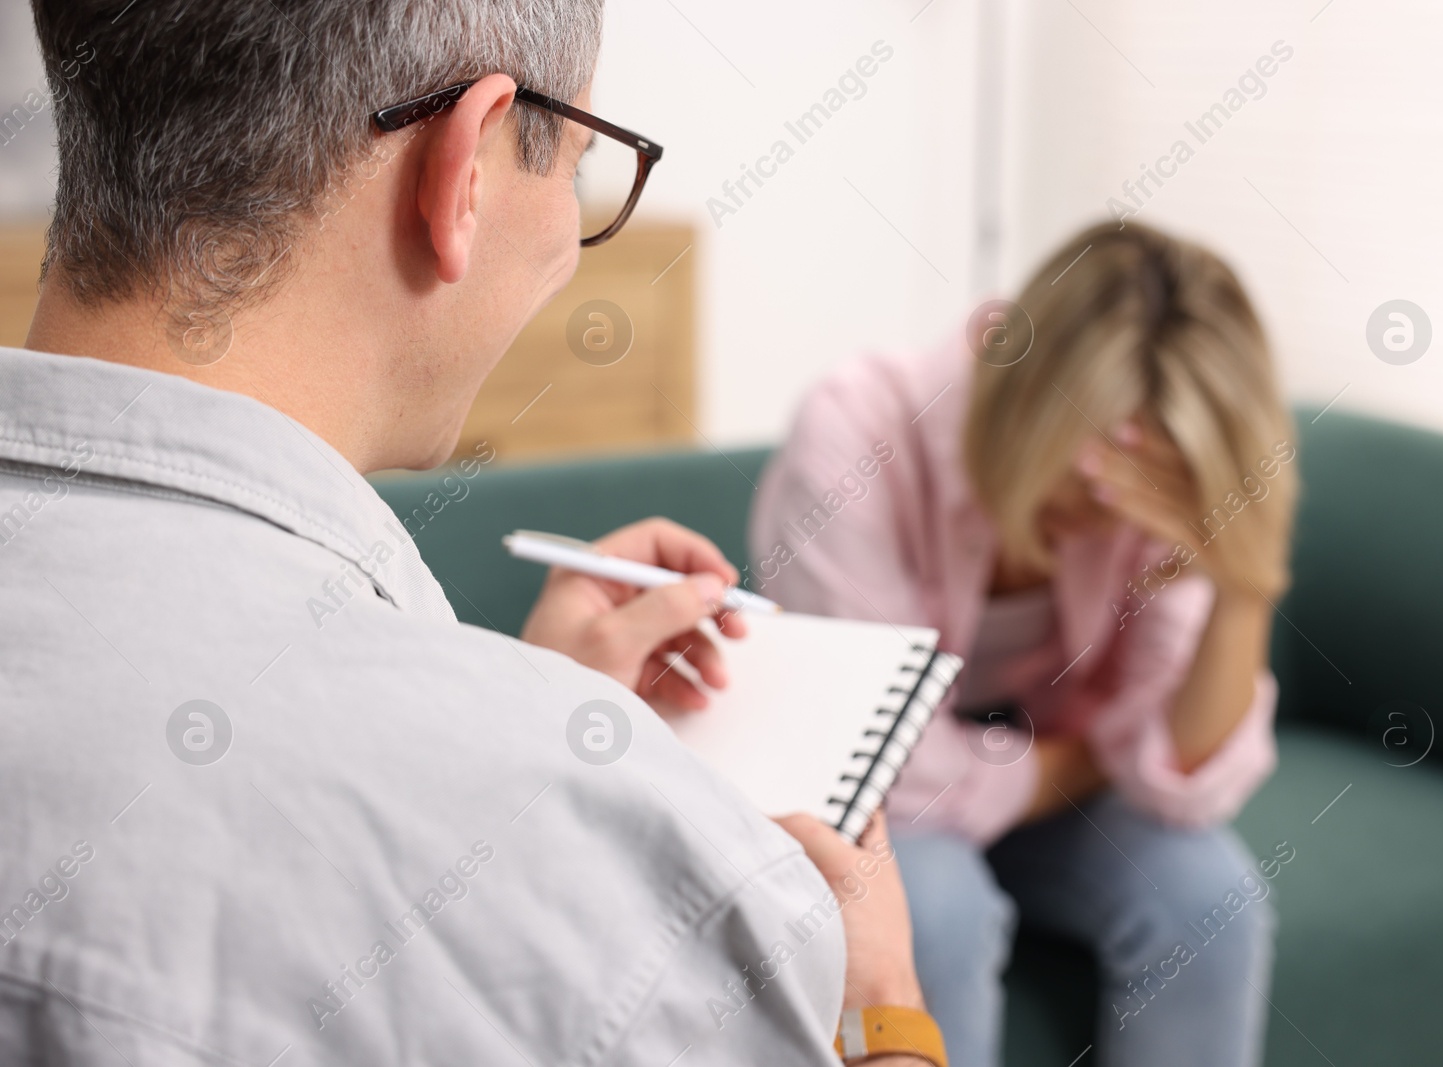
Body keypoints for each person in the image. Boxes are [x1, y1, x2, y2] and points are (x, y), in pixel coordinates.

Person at [0, 2, 938, 1065]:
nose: (569, 252)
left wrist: (506, 722)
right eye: (581, 168)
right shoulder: (634, 889)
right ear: (467, 167)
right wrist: (883, 1007)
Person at [750, 220, 1300, 1067]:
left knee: (1208, 892)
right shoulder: (854, 435)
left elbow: (1178, 782)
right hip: (869, 811)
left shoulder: (1146, 479)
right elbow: (895, 769)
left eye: (1137, 494)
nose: (1105, 515)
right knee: (934, 904)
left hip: (1020, 786)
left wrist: (1245, 581)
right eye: (1080, 478)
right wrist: (1074, 764)